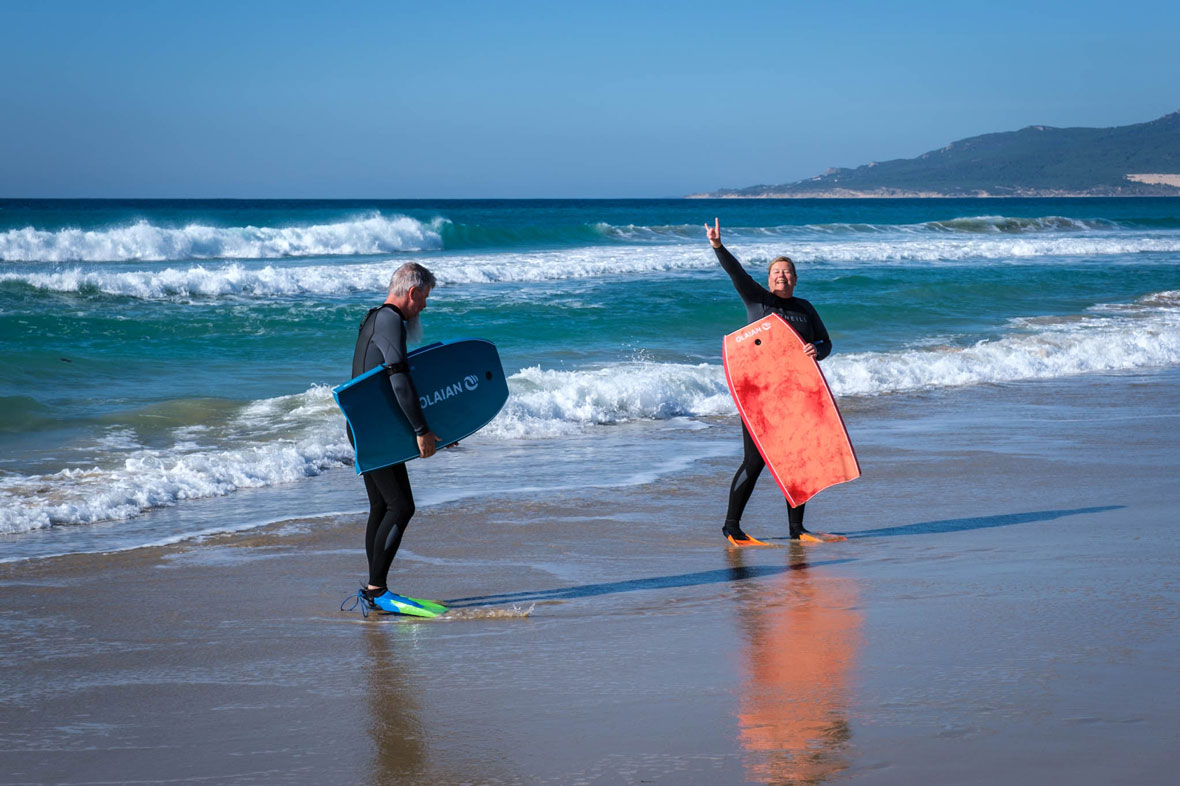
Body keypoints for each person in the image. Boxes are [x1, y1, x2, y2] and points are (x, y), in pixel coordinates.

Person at [706, 218, 841, 545]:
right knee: (755, 462)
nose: (782, 275)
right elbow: (736, 274)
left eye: (787, 272)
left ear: (795, 279)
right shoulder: (759, 302)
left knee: (798, 459)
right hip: (760, 396)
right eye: (776, 272)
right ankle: (732, 527)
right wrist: (718, 247)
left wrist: (817, 350)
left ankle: (797, 530)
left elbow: (826, 342)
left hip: (796, 394)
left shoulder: (805, 308)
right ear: (768, 280)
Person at [347, 262, 442, 613]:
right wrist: (420, 430)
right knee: (402, 506)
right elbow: (398, 379)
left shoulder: (374, 317)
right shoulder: (390, 319)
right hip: (374, 428)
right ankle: (377, 590)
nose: (424, 307)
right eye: (425, 298)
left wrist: (435, 427)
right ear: (413, 292)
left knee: (382, 505)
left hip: (364, 424)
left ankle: (373, 590)